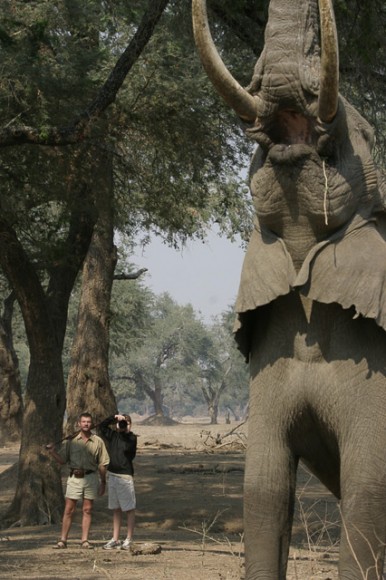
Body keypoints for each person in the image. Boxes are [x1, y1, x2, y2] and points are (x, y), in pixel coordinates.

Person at [46, 412, 110, 549]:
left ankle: (84, 540)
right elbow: (63, 460)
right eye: (83, 422)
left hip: (91, 477)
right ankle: (63, 540)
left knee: (87, 509)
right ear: (79, 424)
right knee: (69, 509)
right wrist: (52, 452)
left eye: (88, 422)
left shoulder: (98, 441)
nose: (86, 424)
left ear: (91, 424)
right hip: (74, 478)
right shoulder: (72, 441)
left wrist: (103, 482)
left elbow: (102, 464)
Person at [99, 413, 137, 550]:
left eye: (127, 423)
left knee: (129, 508)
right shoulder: (113, 435)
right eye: (122, 423)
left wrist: (126, 431)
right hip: (112, 475)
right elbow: (101, 426)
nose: (123, 424)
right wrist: (113, 417)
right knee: (116, 508)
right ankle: (115, 539)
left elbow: (128, 450)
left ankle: (129, 538)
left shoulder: (131, 438)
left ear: (130, 425)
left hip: (124, 476)